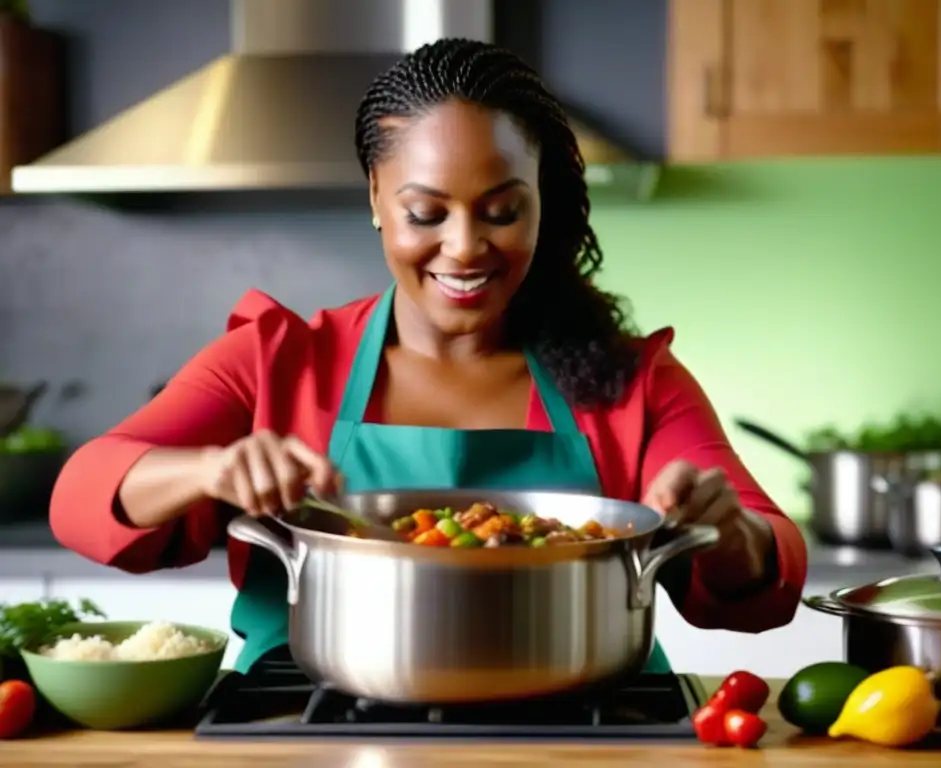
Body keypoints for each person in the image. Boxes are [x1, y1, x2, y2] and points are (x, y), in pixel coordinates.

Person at [50, 38, 807, 675]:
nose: (466, 246)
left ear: (542, 201)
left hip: (584, 718)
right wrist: (210, 470)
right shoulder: (275, 361)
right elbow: (81, 494)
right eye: (426, 212)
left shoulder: (633, 379)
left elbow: (768, 575)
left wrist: (727, 530)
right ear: (376, 196)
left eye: (503, 211)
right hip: (307, 720)